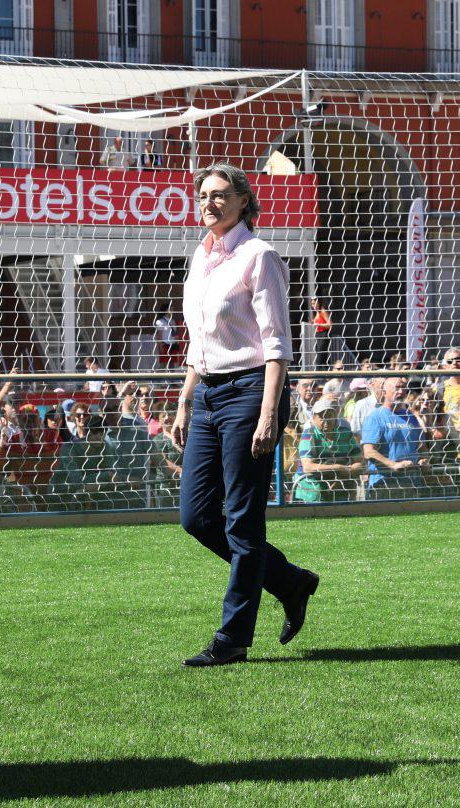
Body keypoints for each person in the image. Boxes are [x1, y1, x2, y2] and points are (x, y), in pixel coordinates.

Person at [172, 163, 318, 668]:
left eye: (220, 195)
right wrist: (185, 399)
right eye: (204, 195)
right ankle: (289, 580)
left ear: (242, 201)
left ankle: (232, 638)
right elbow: (200, 341)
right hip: (209, 394)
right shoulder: (201, 256)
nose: (209, 203)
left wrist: (267, 412)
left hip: (251, 390)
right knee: (195, 516)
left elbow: (277, 342)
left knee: (242, 521)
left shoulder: (260, 256)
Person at [361, 376, 429, 496]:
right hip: (384, 484)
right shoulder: (375, 418)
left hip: (412, 483)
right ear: (384, 392)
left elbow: (421, 446)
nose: (401, 391)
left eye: (403, 388)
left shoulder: (410, 416)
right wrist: (393, 465)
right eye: (397, 388)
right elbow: (369, 452)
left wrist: (423, 460)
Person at [295, 399, 366, 502]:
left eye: (329, 416)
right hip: (312, 485)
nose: (326, 420)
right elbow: (308, 467)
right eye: (322, 417)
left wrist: (346, 473)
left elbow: (360, 462)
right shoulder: (308, 436)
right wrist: (337, 468)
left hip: (342, 482)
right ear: (314, 418)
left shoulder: (345, 433)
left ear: (336, 417)